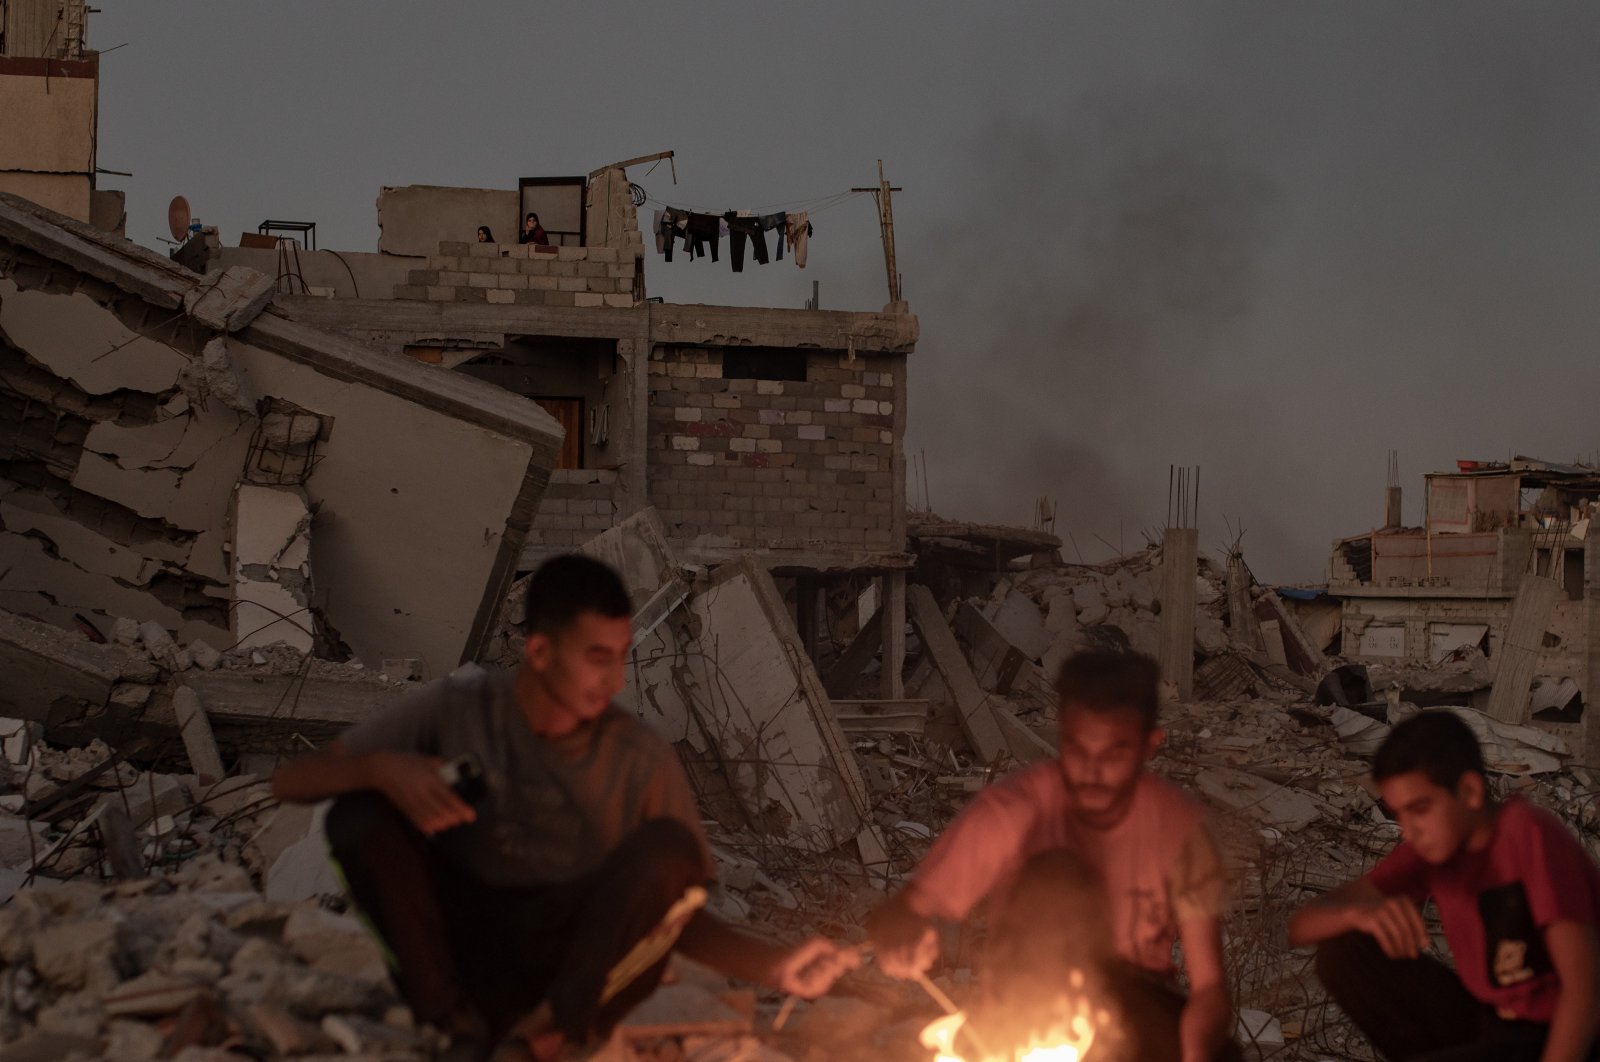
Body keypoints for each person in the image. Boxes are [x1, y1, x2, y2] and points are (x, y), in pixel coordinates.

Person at [271, 555, 857, 1061]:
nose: (614, 679)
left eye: (621, 656)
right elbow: (295, 780)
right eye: (596, 657)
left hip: (576, 969)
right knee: (360, 816)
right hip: (469, 945)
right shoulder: (457, 709)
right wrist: (380, 768)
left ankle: (541, 1037)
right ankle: (456, 1028)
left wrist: (774, 966)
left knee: (670, 852)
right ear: (542, 651)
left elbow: (676, 916)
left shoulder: (638, 755)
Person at [868, 651, 1239, 1062]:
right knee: (1057, 875)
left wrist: (1195, 1049)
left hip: (1132, 1006)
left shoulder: (1179, 829)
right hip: (1024, 1000)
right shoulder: (1014, 810)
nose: (1092, 773)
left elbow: (1208, 988)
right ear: (1062, 735)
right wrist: (905, 931)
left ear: (1149, 745)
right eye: (1079, 751)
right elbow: (908, 909)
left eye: (1113, 754)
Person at [1288, 710, 1600, 1062]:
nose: (1409, 830)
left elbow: (1584, 993)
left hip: (1562, 1033)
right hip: (1491, 1023)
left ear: (1469, 791)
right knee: (1343, 951)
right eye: (1399, 814)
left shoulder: (1526, 834)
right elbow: (1302, 925)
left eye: (1420, 809)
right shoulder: (1430, 850)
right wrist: (1359, 914)